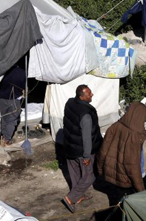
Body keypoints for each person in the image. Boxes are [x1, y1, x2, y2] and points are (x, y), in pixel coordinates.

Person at [62, 85, 102, 213]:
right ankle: (70, 198)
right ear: (81, 96)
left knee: (75, 174)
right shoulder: (86, 114)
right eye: (89, 94)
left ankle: (78, 197)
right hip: (81, 149)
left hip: (69, 146)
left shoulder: (69, 103)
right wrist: (86, 156)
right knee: (90, 176)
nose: (92, 95)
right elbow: (86, 137)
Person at [96, 102, 146, 194]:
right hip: (125, 179)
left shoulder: (115, 126)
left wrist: (100, 170)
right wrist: (141, 189)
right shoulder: (135, 136)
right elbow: (132, 166)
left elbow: (103, 151)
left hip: (111, 174)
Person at [0, 63, 26, 146]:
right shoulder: (22, 72)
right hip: (14, 99)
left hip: (2, 99)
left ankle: (1, 135)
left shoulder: (3, 72)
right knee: (12, 120)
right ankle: (7, 139)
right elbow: (23, 86)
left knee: (3, 118)